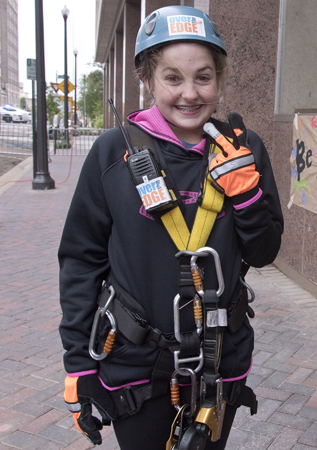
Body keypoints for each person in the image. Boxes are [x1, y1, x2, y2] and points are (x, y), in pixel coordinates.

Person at [58, 6, 283, 449]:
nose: (189, 94)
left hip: (219, 359)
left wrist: (248, 196)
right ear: (147, 80)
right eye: (172, 78)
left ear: (219, 79)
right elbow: (81, 260)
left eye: (203, 77)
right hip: (135, 361)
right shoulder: (111, 153)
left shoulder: (243, 148)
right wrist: (79, 365)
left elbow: (263, 252)